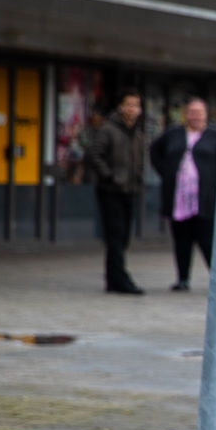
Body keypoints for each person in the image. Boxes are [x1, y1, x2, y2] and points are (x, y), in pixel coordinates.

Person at [149, 98, 216, 291]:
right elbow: (154, 151)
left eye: (199, 112)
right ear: (186, 114)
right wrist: (166, 172)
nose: (195, 116)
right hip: (178, 199)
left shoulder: (215, 136)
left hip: (204, 199)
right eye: (192, 112)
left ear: (206, 115)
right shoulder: (174, 133)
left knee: (207, 240)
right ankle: (183, 278)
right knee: (182, 240)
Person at [84, 90, 147, 295]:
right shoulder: (108, 130)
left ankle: (113, 279)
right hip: (111, 191)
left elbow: (140, 161)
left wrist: (139, 180)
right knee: (116, 237)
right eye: (129, 105)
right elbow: (94, 155)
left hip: (130, 191)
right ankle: (120, 279)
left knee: (123, 237)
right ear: (121, 107)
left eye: (136, 105)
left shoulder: (138, 134)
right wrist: (109, 176)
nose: (132, 109)